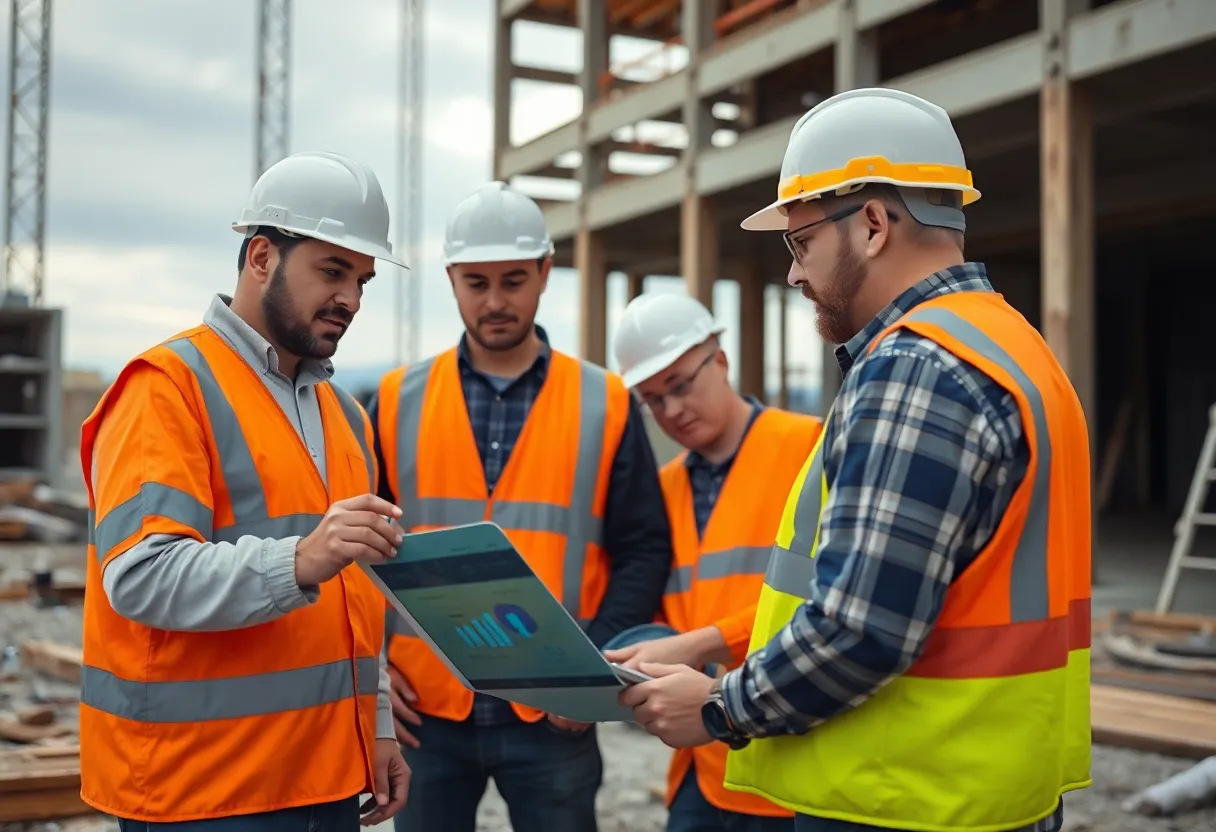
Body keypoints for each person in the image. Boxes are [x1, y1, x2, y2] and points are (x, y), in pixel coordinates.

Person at [619, 87, 1093, 832]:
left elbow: (861, 628)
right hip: (990, 790)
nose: (794, 274)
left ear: (872, 224)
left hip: (903, 794)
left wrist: (717, 706)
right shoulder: (1016, 348)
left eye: (801, 243)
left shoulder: (916, 366)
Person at [78, 151, 412, 830]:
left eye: (362, 279)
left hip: (322, 781)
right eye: (332, 270)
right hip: (200, 791)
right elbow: (141, 575)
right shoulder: (166, 388)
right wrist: (301, 559)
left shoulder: (347, 417)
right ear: (262, 257)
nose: (351, 299)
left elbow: (356, 597)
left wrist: (376, 724)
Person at [366, 180, 674, 832]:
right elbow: (358, 550)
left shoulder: (605, 401)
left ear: (545, 273)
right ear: (451, 280)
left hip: (554, 713)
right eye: (476, 283)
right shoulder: (394, 400)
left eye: (513, 280)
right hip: (427, 707)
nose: (495, 301)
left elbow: (644, 548)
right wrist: (374, 670)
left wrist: (591, 672)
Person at [603, 292, 823, 832]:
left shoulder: (809, 447)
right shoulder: (665, 488)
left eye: (680, 386)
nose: (672, 411)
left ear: (720, 360)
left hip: (792, 758)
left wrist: (702, 644)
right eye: (654, 400)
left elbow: (828, 599)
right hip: (700, 767)